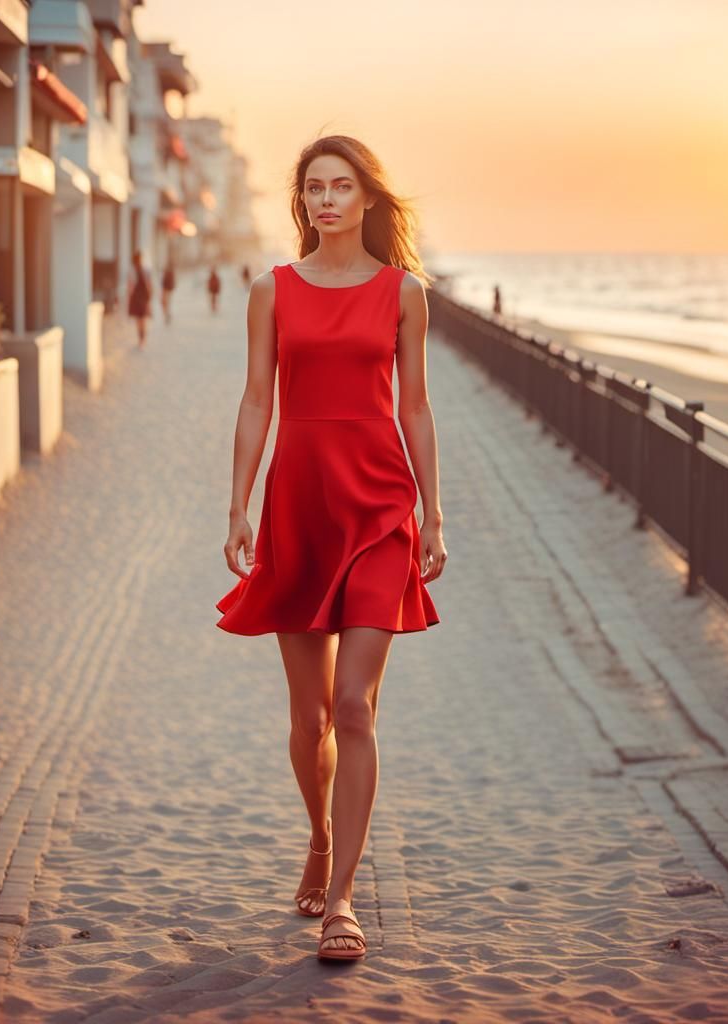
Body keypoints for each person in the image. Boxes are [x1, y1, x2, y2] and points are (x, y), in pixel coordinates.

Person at [215, 135, 448, 962]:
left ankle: (344, 896)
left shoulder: (403, 293)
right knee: (308, 716)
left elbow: (414, 407)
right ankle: (318, 836)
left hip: (381, 506)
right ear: (303, 200)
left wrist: (434, 511)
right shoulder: (271, 291)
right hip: (300, 508)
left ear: (367, 200)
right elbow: (255, 403)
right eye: (313, 187)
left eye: (341, 186)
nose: (326, 200)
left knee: (354, 706)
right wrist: (239, 507)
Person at [127, 251, 152, 348]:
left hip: (136, 298)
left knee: (138, 320)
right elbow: (149, 285)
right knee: (143, 320)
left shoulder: (132, 271)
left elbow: (131, 288)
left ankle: (141, 339)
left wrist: (129, 299)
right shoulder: (146, 270)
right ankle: (143, 338)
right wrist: (149, 297)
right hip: (144, 298)